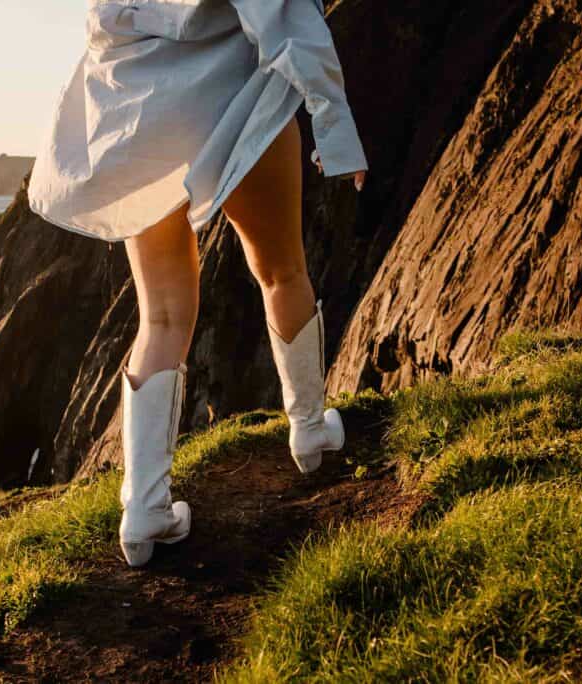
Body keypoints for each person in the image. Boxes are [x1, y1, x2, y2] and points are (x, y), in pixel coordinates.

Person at [26, 0, 368, 567]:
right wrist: (338, 130)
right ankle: (309, 430)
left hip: (141, 120)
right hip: (232, 101)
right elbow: (279, 17)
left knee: (160, 315)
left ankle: (143, 511)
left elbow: (104, 30)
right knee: (281, 270)